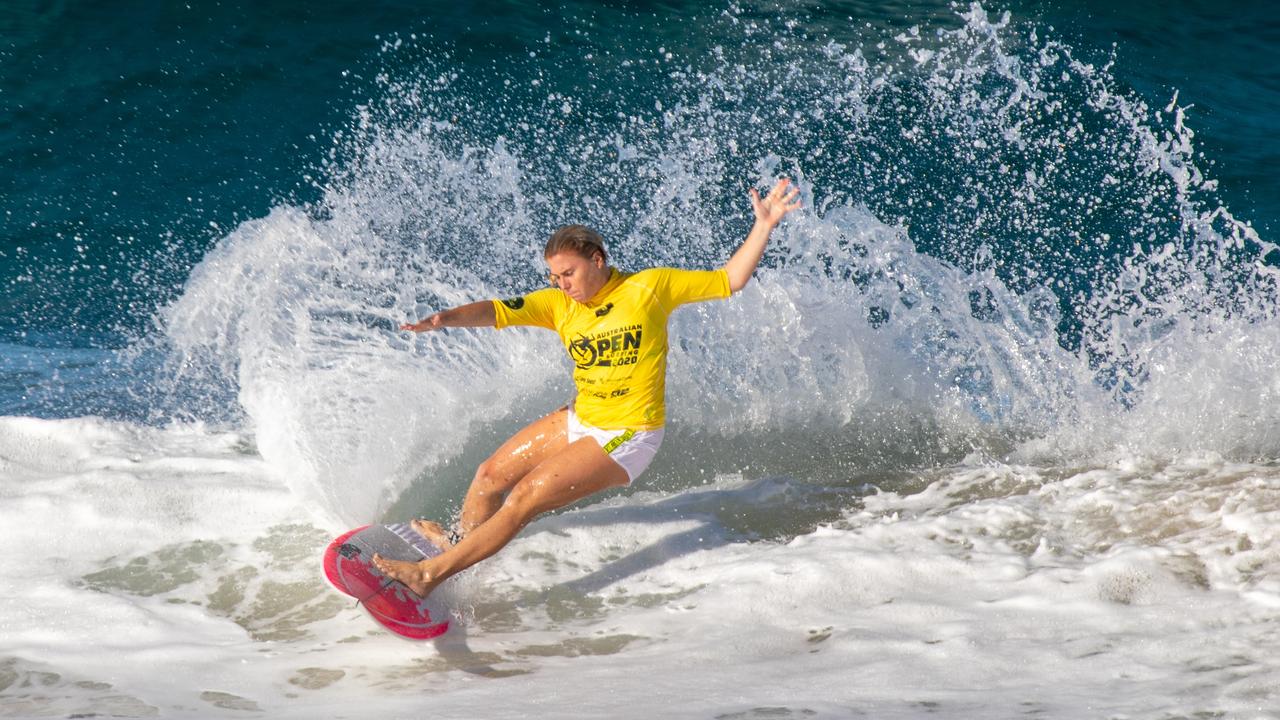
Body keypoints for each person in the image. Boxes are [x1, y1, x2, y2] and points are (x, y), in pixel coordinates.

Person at [372, 178, 802, 598]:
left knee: (524, 498)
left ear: (598, 259)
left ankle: (430, 574)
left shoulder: (648, 288)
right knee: (489, 476)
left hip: (628, 435)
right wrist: (446, 318)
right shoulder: (558, 305)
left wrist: (764, 225)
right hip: (583, 416)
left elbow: (729, 279)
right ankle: (457, 546)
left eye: (568, 273)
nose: (562, 284)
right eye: (555, 276)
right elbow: (498, 311)